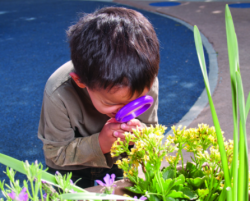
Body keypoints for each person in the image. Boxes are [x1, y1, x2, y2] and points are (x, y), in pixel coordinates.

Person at [38, 6, 160, 189]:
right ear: (80, 81)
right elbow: (55, 153)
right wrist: (101, 143)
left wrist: (142, 135)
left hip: (120, 159)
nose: (126, 112)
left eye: (135, 102)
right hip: (71, 165)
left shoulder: (144, 81)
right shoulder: (58, 92)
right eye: (113, 103)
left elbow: (152, 132)